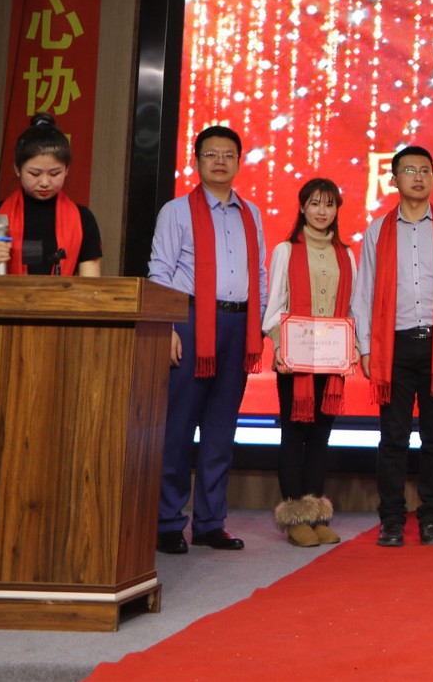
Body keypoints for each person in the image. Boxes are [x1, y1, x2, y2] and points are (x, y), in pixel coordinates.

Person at [148, 124, 267, 554]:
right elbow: (160, 271)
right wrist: (166, 328)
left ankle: (211, 522)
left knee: (221, 430)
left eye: (228, 154)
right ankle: (167, 521)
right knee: (178, 428)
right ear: (196, 160)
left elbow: (259, 273)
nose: (220, 161)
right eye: (211, 154)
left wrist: (259, 326)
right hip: (191, 322)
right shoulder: (176, 211)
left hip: (238, 325)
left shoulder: (250, 213)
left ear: (238, 162)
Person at [353, 145, 433, 548]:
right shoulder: (378, 230)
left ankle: (432, 517)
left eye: (425, 170)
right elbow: (364, 291)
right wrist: (365, 348)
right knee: (393, 438)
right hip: (395, 346)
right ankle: (391, 519)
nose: (418, 177)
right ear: (394, 179)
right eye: (409, 170)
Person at [262, 178, 356, 548]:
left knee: (320, 437)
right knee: (294, 434)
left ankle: (316, 514)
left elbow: (351, 310)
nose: (322, 211)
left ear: (337, 210)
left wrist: (352, 347)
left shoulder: (346, 255)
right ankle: (295, 516)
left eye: (329, 204)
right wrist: (280, 346)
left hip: (330, 363)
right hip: (294, 361)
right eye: (315, 203)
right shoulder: (286, 250)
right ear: (302, 207)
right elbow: (274, 307)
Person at [0, 112, 102, 277]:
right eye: (35, 173)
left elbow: (92, 285)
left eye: (54, 173)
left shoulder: (83, 219)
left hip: (62, 294)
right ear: (17, 169)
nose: (44, 182)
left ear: (67, 169)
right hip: (6, 294)